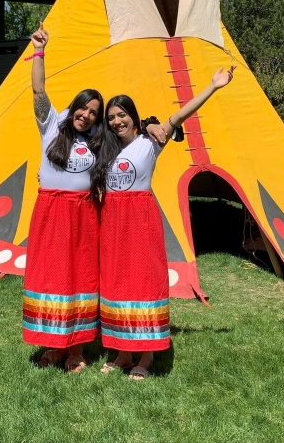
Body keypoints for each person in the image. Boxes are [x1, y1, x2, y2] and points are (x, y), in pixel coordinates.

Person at [91, 66, 235, 380]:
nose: (117, 121)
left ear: (132, 115)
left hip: (140, 218)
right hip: (113, 219)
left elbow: (181, 115)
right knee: (117, 286)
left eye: (122, 115)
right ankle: (122, 351)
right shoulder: (105, 146)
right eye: (112, 117)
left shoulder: (150, 141)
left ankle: (147, 355)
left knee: (143, 285)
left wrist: (213, 86)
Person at [22, 23, 104, 372]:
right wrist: (40, 50)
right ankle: (54, 346)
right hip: (51, 210)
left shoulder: (99, 143)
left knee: (81, 276)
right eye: (83, 108)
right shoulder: (52, 124)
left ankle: (77, 350)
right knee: (51, 276)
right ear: (74, 108)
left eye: (93, 113)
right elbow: (38, 88)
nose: (86, 115)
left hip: (84, 213)